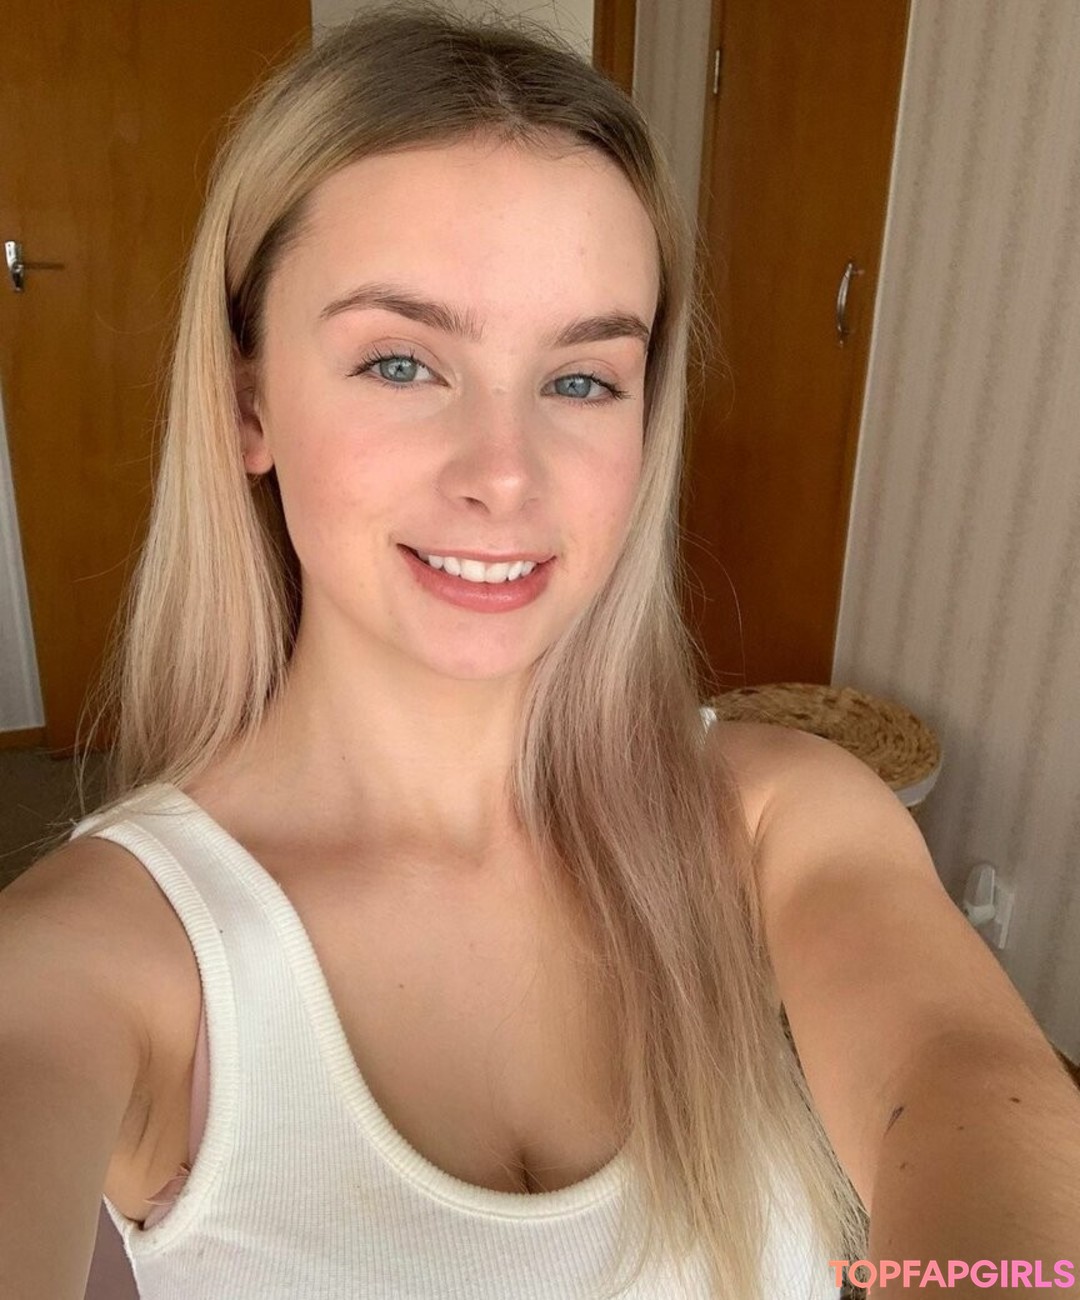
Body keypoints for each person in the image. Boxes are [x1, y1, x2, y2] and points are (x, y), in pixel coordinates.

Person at [2, 6, 1079, 1298]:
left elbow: (966, 1082)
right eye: (402, 363)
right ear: (248, 403)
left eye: (581, 380)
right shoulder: (100, 959)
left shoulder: (776, 817)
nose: (505, 476)